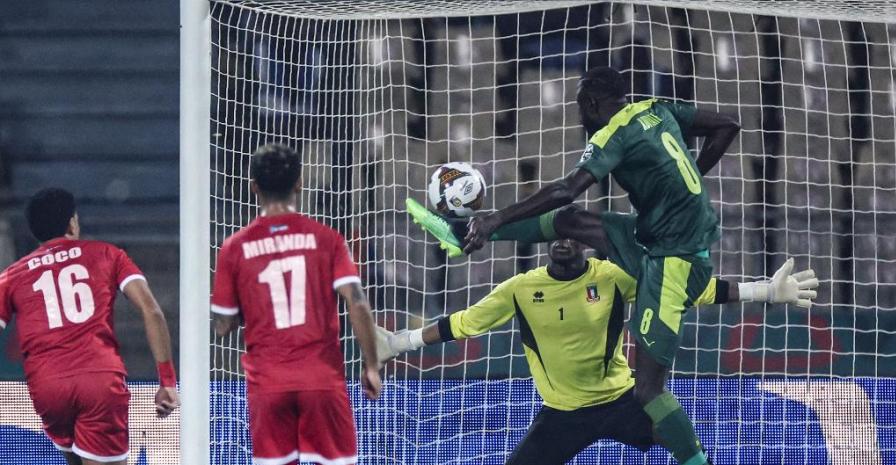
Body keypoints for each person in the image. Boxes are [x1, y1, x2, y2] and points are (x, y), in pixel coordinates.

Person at [407, 65, 754, 464]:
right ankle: (463, 235)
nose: (578, 117)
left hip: (672, 260)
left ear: (589, 103)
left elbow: (565, 187)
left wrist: (498, 216)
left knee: (649, 391)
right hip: (657, 236)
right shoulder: (657, 109)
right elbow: (728, 124)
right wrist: (687, 176)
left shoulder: (612, 136)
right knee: (571, 220)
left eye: (579, 108)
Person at [376, 239, 817, 464]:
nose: (564, 241)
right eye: (558, 232)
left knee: (682, 441)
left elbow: (682, 290)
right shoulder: (521, 288)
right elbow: (462, 324)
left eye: (573, 232)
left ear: (585, 241)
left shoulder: (612, 276)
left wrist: (763, 290)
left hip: (621, 399)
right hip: (561, 413)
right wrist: (399, 343)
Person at [211, 143, 381, 465]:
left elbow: (223, 326)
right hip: (322, 380)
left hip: (268, 385)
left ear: (254, 187)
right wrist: (371, 364)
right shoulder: (327, 238)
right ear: (300, 183)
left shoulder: (234, 247)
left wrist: (244, 305)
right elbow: (357, 301)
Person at [0, 188, 179, 465]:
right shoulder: (108, 254)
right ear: (72, 222)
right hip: (98, 379)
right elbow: (151, 310)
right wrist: (167, 381)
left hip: (47, 386)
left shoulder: (12, 275)